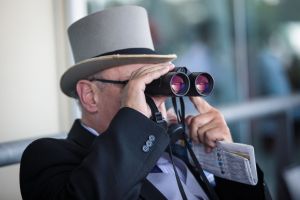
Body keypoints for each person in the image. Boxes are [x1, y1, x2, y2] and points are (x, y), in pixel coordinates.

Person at [20, 5, 271, 200]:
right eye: (138, 83)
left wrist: (223, 156)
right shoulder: (48, 158)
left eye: (157, 80)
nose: (159, 96)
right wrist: (137, 127)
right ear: (89, 96)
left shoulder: (180, 147)